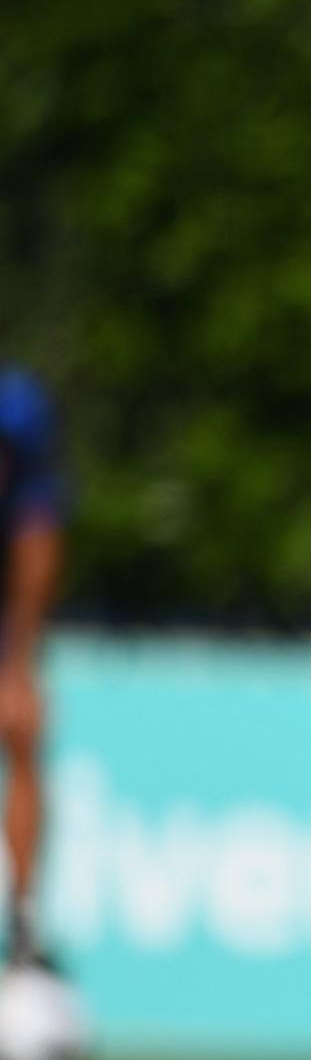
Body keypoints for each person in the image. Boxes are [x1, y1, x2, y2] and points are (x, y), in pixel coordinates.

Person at [0, 362, 68, 968]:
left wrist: (18, 665)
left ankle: (23, 921)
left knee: (20, 726)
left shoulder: (31, 495)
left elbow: (35, 554)